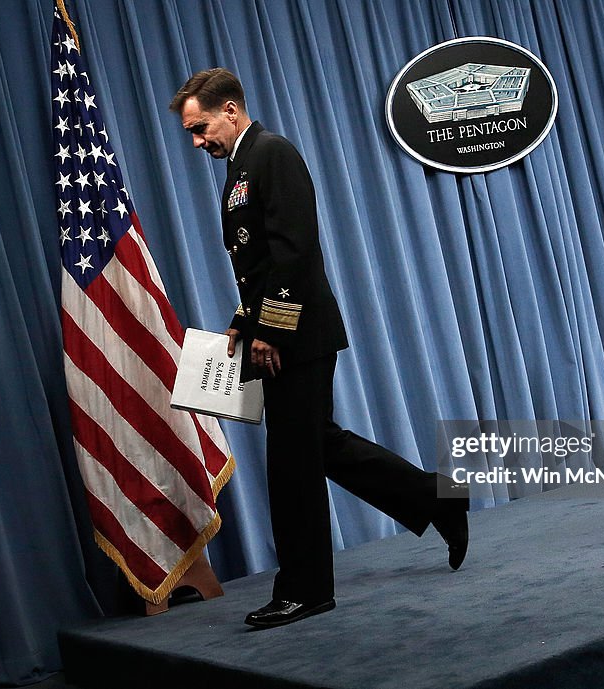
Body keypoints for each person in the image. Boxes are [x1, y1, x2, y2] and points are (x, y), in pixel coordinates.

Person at [170, 68, 468, 629]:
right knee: (316, 445)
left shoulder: (272, 154)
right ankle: (435, 500)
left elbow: (295, 249)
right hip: (278, 330)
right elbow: (258, 262)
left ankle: (306, 589)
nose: (197, 141)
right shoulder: (240, 164)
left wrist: (270, 331)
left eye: (200, 126)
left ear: (230, 109)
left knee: (292, 465)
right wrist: (242, 318)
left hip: (294, 337)